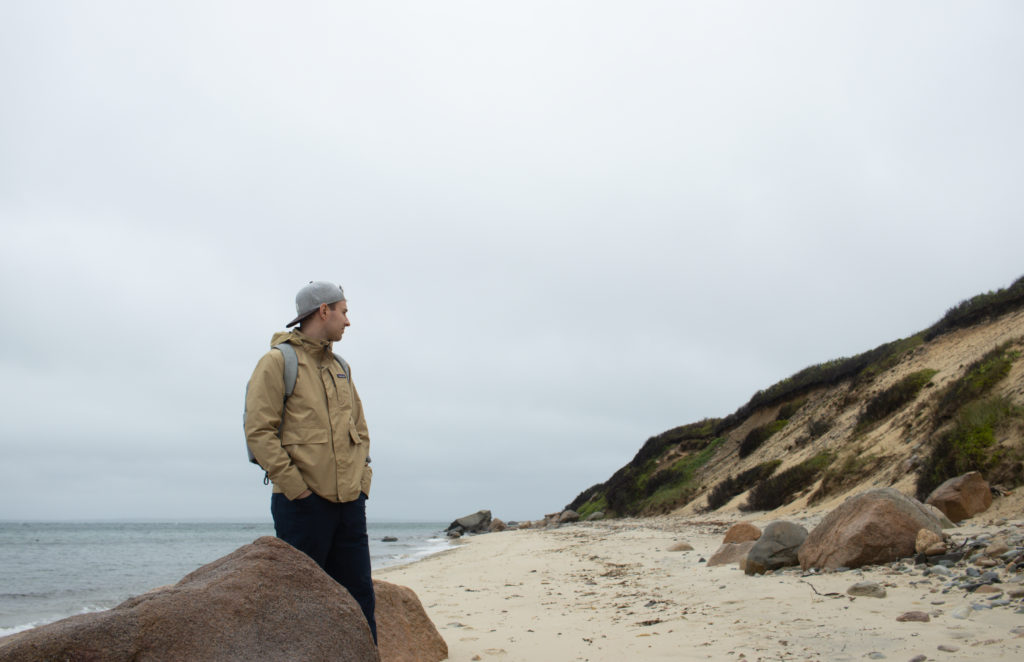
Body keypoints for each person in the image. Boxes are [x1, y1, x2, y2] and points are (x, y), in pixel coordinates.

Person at [244, 280, 377, 643]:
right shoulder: (278, 362)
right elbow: (259, 433)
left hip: (350, 505)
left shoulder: (342, 368)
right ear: (323, 311)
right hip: (302, 508)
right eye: (344, 311)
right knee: (299, 606)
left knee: (360, 600)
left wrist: (362, 484)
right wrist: (298, 491)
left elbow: (361, 432)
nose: (347, 321)